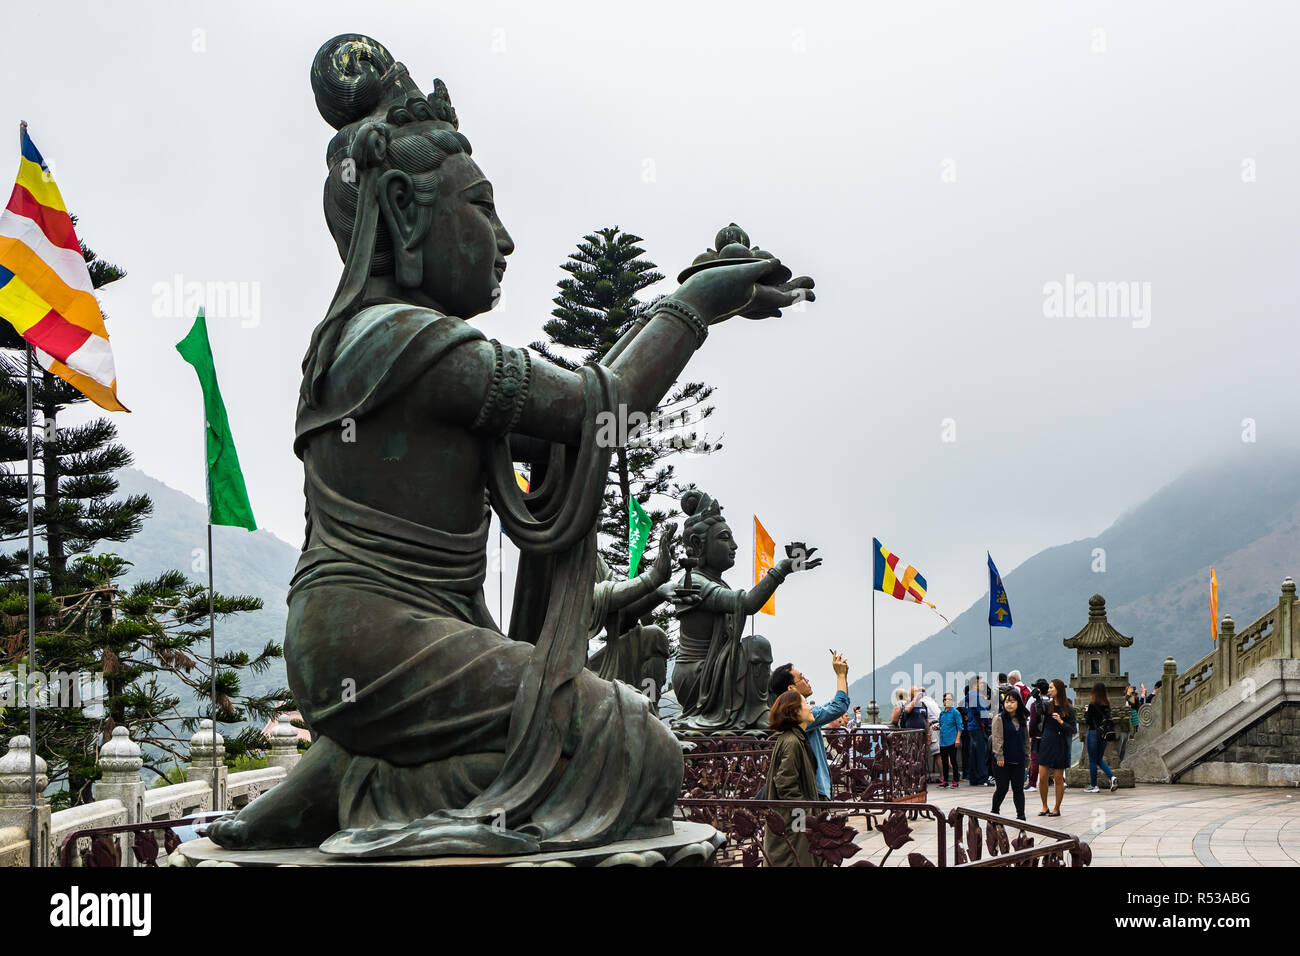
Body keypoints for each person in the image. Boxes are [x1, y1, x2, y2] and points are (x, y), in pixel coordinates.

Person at [769, 650, 850, 800]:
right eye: (802, 678)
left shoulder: (791, 722)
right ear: (791, 689)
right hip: (813, 792)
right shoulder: (799, 723)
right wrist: (841, 676)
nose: (807, 680)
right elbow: (838, 707)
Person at [762, 690, 818, 867]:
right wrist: (805, 815)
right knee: (797, 860)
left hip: (794, 819)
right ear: (795, 712)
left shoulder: (794, 738)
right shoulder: (792, 742)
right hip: (793, 822)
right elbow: (785, 784)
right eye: (805, 703)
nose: (810, 707)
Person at [1036, 679, 1077, 817]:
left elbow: (1072, 729)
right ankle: (1044, 805)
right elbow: (1038, 711)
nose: (1049, 689)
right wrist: (1037, 697)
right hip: (1046, 741)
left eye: (1051, 687)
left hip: (1060, 743)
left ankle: (1056, 807)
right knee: (1042, 777)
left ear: (1058, 689)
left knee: (1058, 778)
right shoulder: (1048, 705)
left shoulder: (1069, 709)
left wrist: (1061, 721)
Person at [990, 690, 1028, 820]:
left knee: (1018, 789)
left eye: (1012, 702)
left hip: (1019, 759)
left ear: (1018, 703)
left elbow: (1026, 739)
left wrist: (1027, 757)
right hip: (1003, 761)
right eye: (1007, 702)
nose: (1009, 704)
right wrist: (999, 756)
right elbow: (997, 738)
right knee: (1002, 788)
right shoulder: (999, 718)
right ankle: (994, 812)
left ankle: (1021, 816)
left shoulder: (1022, 719)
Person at [1083, 682, 1119, 793]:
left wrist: (1086, 712)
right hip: (1104, 735)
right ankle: (1112, 777)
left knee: (1093, 760)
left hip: (1093, 733)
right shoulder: (1107, 705)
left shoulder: (1092, 705)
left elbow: (1088, 721)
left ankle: (1094, 785)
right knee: (1099, 759)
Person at [963, 678, 992, 786]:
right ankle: (982, 778)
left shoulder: (969, 696)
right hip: (978, 726)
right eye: (980, 683)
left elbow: (968, 710)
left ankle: (973, 778)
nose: (983, 685)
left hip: (972, 726)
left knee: (974, 753)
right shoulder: (976, 696)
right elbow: (981, 711)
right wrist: (986, 722)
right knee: (981, 753)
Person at [1025, 678, 1048, 790]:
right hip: (1049, 735)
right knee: (1050, 760)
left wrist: (1030, 735)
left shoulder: (1034, 703)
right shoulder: (1052, 701)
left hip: (1037, 736)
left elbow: (1032, 721)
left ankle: (1032, 783)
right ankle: (1060, 780)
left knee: (1035, 759)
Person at [938, 692, 962, 788]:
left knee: (953, 761)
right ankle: (945, 780)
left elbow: (960, 727)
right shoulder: (942, 713)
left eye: (949, 699)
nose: (947, 701)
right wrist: (937, 728)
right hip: (943, 741)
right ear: (943, 701)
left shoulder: (955, 713)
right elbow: (942, 725)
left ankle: (955, 780)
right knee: (944, 762)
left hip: (952, 741)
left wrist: (957, 739)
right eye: (946, 699)